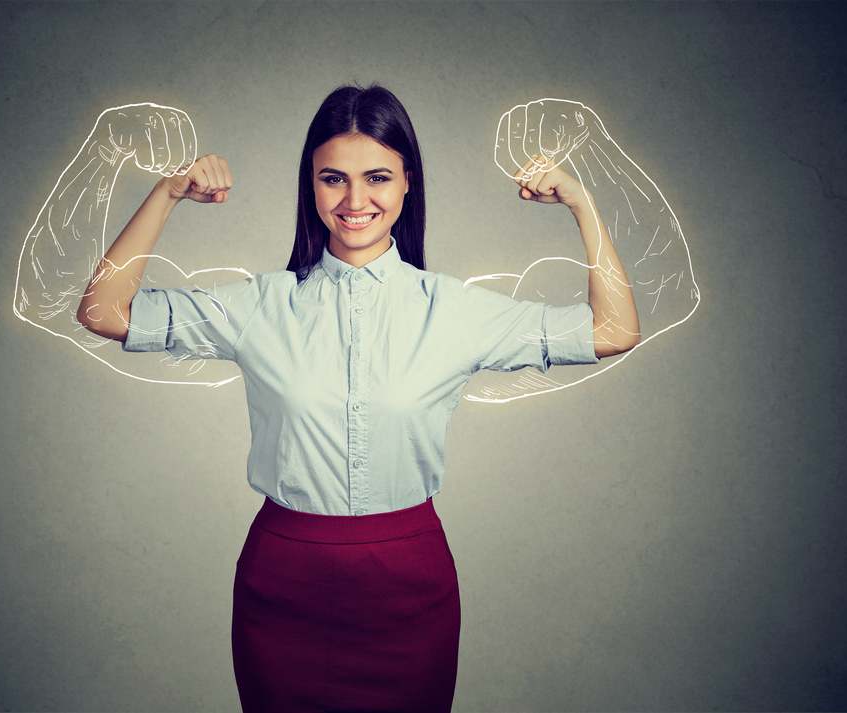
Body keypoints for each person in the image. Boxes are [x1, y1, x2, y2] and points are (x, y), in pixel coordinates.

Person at [77, 83, 638, 713]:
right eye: (332, 179)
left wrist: (582, 205)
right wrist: (167, 194)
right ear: (310, 187)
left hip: (409, 584)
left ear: (407, 184)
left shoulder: (455, 312)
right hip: (282, 583)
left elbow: (612, 331)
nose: (355, 200)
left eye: (376, 177)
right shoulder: (258, 307)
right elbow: (103, 311)